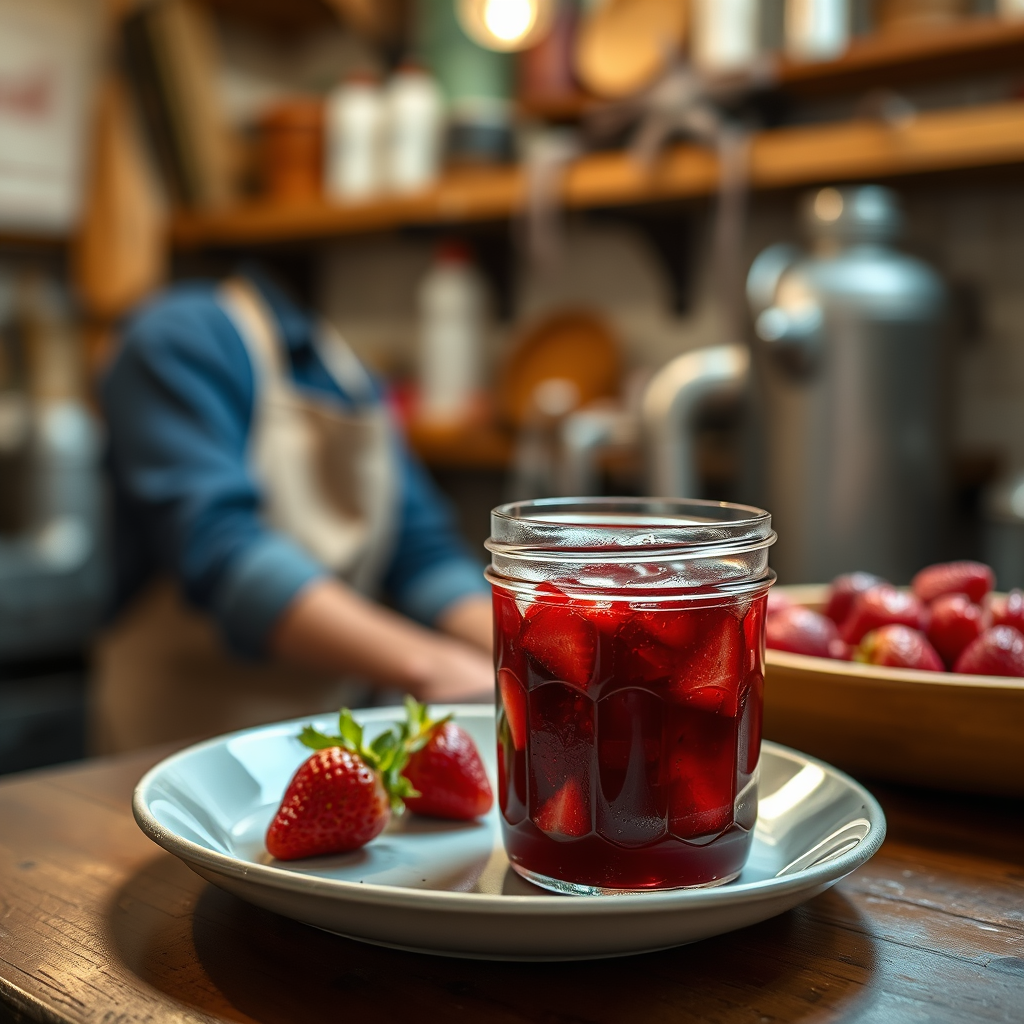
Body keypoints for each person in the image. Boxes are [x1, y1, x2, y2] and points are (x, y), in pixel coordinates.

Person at [92, 268, 493, 753]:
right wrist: (430, 665)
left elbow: (422, 553)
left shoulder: (347, 373)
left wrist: (525, 652)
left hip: (330, 743)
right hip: (181, 740)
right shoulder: (174, 340)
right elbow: (227, 554)